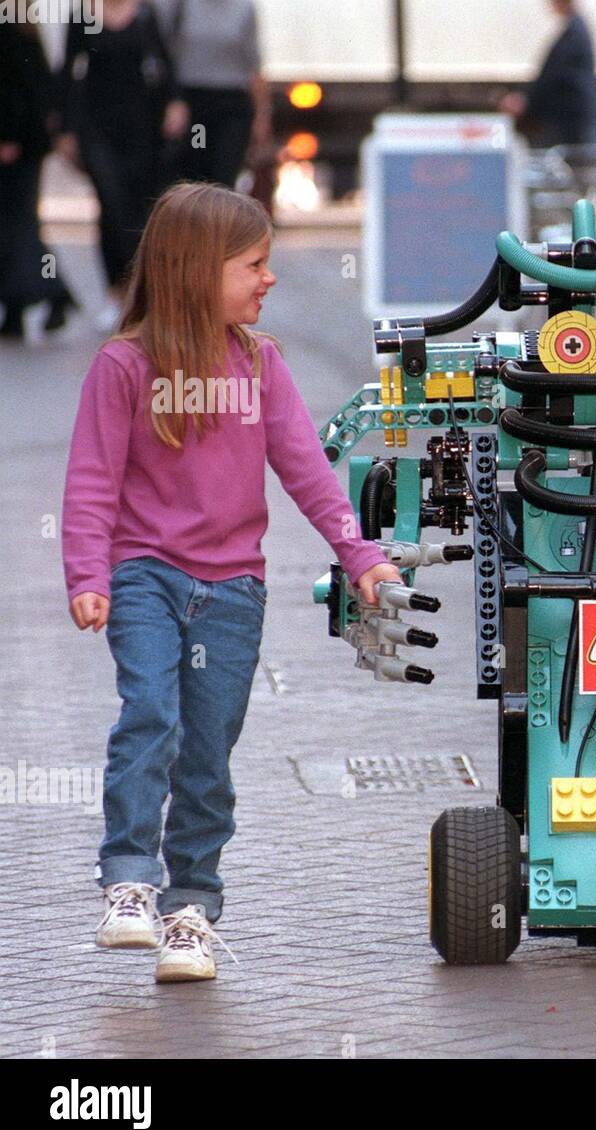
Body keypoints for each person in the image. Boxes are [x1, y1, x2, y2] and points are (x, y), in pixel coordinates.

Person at [62, 183, 401, 982]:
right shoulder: (124, 366)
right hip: (143, 574)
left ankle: (191, 908)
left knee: (207, 752)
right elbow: (89, 483)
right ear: (193, 270)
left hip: (233, 591)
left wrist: (361, 555)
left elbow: (309, 474)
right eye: (254, 264)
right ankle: (128, 882)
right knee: (151, 712)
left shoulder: (260, 363)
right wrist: (87, 572)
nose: (269, 279)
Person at [56, 0, 189, 333]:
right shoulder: (85, 15)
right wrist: (66, 129)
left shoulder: (145, 14)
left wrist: (175, 103)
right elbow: (70, 71)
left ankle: (140, 292)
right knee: (111, 204)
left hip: (142, 126)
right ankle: (115, 292)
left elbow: (164, 62)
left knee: (139, 207)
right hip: (97, 126)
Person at [0, 13, 78, 341]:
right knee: (18, 225)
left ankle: (49, 293)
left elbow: (18, 89)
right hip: (22, 144)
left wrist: (10, 136)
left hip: (13, 147)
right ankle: (28, 303)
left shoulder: (9, 31)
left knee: (15, 227)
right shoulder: (22, 28)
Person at [154, 0, 272, 189]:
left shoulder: (243, 8)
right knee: (196, 168)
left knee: (224, 173)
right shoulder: (180, 6)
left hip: (231, 106)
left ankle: (220, 217)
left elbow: (254, 65)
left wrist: (262, 115)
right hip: (195, 105)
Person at [498, 0, 596, 148]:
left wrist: (525, 99)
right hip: (572, 120)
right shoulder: (574, 30)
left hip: (571, 122)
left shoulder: (573, 33)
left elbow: (553, 75)